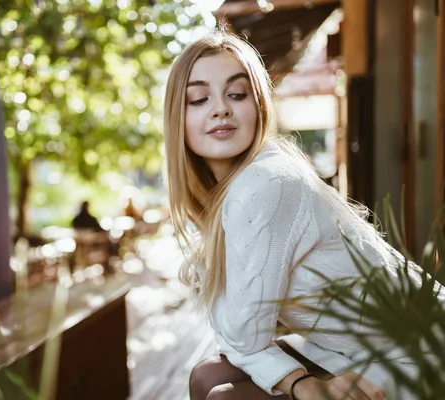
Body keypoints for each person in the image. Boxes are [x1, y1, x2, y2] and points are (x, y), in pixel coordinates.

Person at [163, 32, 433, 400]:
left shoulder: (265, 181)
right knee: (208, 374)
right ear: (177, 117)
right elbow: (233, 335)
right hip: (351, 348)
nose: (220, 108)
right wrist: (298, 380)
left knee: (222, 396)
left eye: (237, 94)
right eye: (198, 98)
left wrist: (299, 382)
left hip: (419, 354)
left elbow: (242, 336)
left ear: (259, 106)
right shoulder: (233, 192)